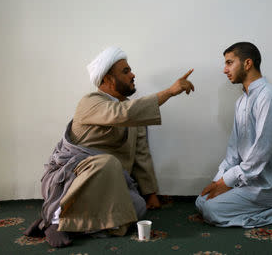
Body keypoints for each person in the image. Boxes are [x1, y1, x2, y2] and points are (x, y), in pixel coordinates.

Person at [25, 46, 194, 247]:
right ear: (107, 79)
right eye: (125, 71)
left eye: (130, 70)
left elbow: (140, 154)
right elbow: (120, 114)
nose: (133, 75)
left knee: (137, 207)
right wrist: (169, 92)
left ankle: (73, 225)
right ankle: (55, 220)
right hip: (70, 179)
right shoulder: (90, 102)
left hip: (110, 182)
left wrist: (150, 193)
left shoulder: (133, 111)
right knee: (107, 162)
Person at [195, 42, 272, 228]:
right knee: (201, 201)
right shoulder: (241, 102)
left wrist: (228, 182)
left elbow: (261, 152)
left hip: (266, 184)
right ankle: (271, 204)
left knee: (211, 210)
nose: (225, 70)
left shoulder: (268, 97)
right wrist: (218, 181)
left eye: (229, 63)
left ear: (247, 64)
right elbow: (233, 151)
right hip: (245, 180)